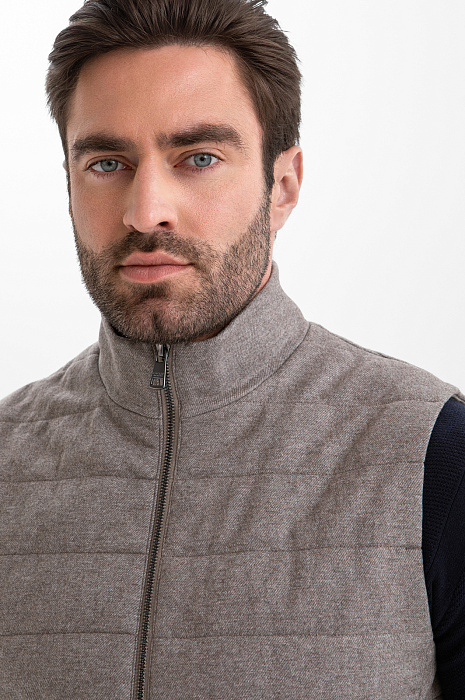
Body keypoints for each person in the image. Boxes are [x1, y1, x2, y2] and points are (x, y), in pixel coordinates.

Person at [0, 0, 464, 697]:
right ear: (68, 186)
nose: (146, 210)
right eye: (106, 162)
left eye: (199, 158)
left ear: (283, 186)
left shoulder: (432, 455)